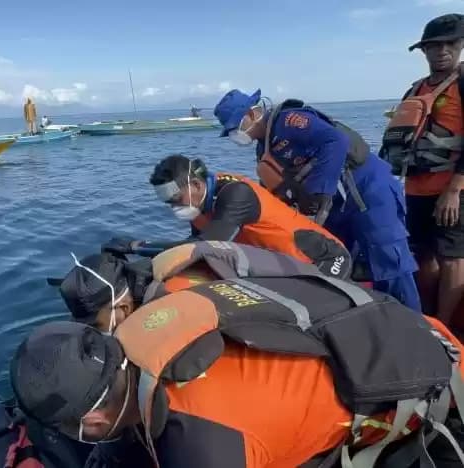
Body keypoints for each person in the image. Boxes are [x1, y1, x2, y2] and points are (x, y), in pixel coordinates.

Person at [11, 275, 464, 468]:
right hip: (396, 326)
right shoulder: (153, 320)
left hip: (435, 389)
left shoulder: (200, 442)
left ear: (91, 422)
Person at [213, 88, 422, 312]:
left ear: (253, 114)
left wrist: (319, 190)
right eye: (231, 131)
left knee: (388, 260)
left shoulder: (290, 120)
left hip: (367, 189)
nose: (236, 134)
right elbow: (273, 194)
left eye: (236, 127)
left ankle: (417, 325)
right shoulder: (264, 151)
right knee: (336, 260)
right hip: (334, 206)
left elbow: (335, 140)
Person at [109, 154, 353, 282]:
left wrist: (138, 247)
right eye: (166, 200)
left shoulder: (235, 194)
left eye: (174, 197)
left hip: (324, 259)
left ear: (195, 184)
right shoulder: (199, 205)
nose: (171, 205)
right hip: (281, 263)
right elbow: (195, 248)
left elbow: (201, 248)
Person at [58, 240, 351, 334]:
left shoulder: (172, 308)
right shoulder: (155, 271)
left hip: (322, 323)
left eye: (97, 327)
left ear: (123, 306)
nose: (97, 333)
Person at [380, 14, 464, 326]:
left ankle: (445, 324)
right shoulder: (414, 90)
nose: (442, 50)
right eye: (433, 45)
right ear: (424, 51)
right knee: (423, 254)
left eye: (450, 43)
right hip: (415, 189)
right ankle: (425, 316)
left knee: (453, 257)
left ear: (460, 46)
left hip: (453, 190)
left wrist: (455, 190)